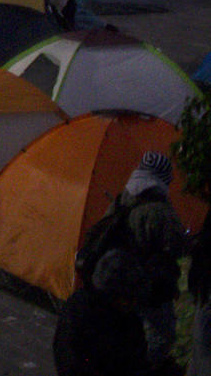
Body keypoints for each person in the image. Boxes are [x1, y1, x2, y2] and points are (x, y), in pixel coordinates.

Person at [111, 151, 189, 371]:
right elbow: (178, 246)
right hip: (148, 285)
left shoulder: (122, 200)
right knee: (161, 336)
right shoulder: (161, 211)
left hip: (117, 281)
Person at [58, 249, 150, 376]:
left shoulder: (128, 320)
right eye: (127, 298)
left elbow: (136, 359)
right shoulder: (81, 312)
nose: (131, 303)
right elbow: (71, 361)